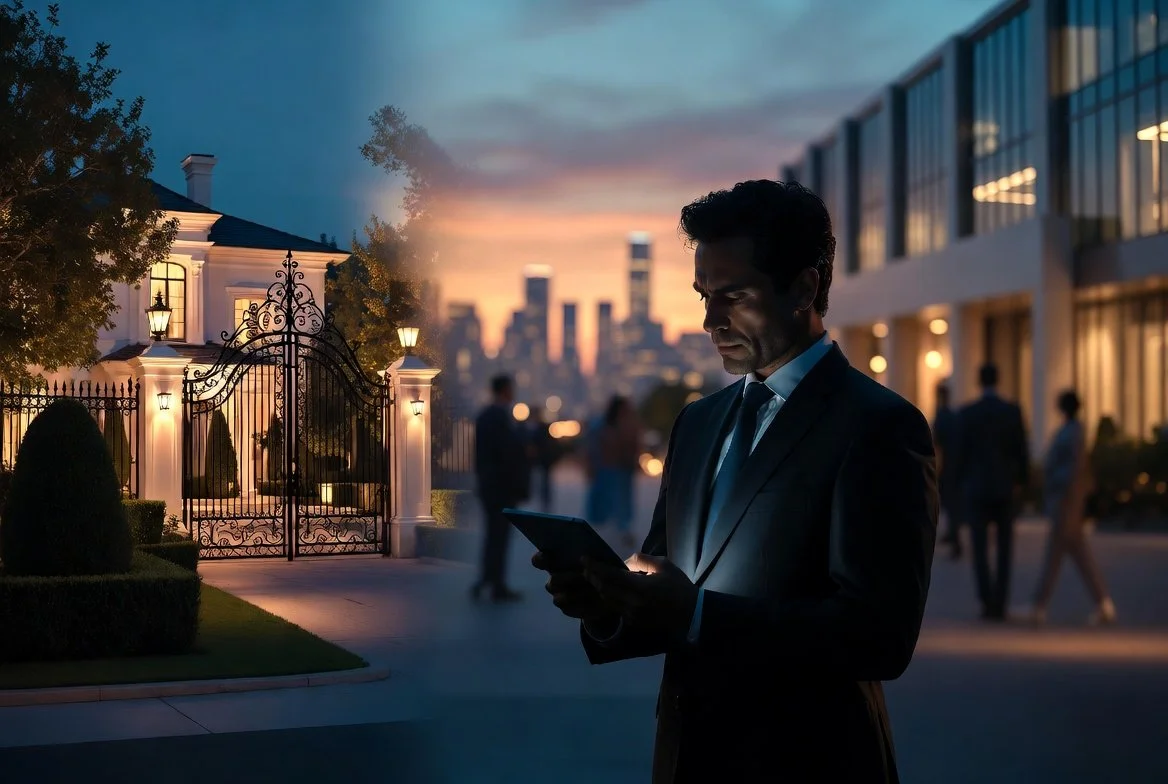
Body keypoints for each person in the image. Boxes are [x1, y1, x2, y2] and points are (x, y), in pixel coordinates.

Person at [532, 180, 938, 782]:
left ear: (805, 286)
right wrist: (609, 604)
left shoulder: (878, 427)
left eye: (734, 295)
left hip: (811, 764)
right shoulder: (698, 423)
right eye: (703, 295)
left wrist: (698, 615)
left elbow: (879, 636)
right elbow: (664, 574)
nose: (708, 320)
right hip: (688, 758)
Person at [1030, 390, 1116, 626]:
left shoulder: (1073, 432)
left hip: (1067, 505)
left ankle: (1039, 606)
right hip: (1068, 505)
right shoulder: (1071, 430)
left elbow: (1073, 470)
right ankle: (1104, 604)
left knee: (1054, 558)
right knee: (1080, 558)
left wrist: (1051, 478)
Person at [952, 362, 1030, 621]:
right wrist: (1023, 482)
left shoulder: (967, 413)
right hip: (1004, 487)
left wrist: (956, 487)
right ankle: (1001, 602)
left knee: (980, 547)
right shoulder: (1011, 411)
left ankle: (986, 601)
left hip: (976, 488)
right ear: (998, 380)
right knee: (1005, 548)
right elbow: (1021, 452)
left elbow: (959, 456)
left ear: (979, 381)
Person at [471, 374, 528, 603]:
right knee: (499, 536)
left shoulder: (486, 415)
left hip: (490, 486)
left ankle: (489, 579)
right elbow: (507, 454)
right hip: (500, 488)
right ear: (505, 389)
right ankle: (495, 583)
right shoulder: (499, 416)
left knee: (494, 535)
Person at [593, 395, 643, 549]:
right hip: (611, 469)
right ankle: (616, 531)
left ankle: (622, 530)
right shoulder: (607, 426)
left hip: (623, 469)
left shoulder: (627, 425)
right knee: (612, 501)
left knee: (623, 501)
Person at [933, 382, 963, 559]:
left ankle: (955, 540)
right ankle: (952, 534)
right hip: (954, 465)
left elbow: (937, 444)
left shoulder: (942, 416)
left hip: (946, 466)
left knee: (950, 504)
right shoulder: (953, 415)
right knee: (952, 504)